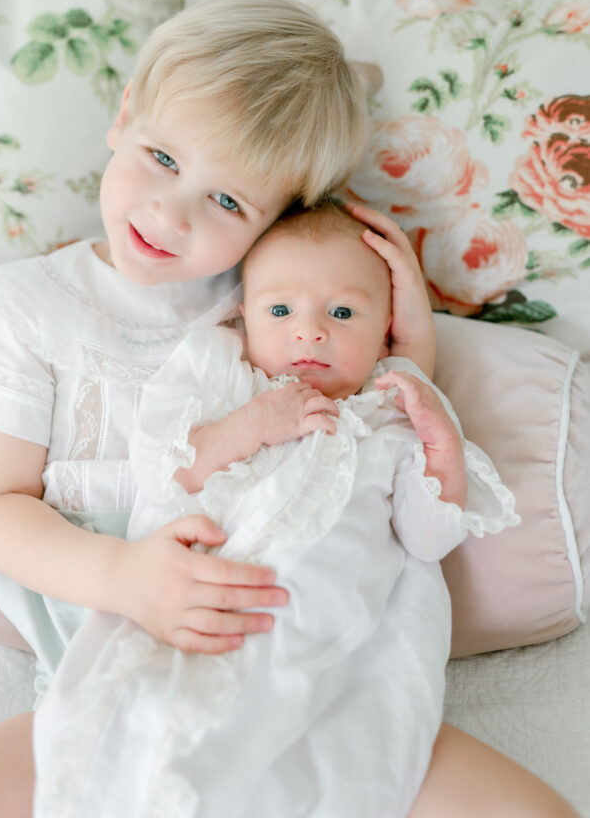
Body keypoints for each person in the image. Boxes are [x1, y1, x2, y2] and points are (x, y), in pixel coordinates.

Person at [0, 0, 579, 818]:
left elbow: (373, 425)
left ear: (279, 220)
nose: (171, 211)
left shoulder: (270, 307)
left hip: (319, 675)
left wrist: (406, 347)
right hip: (121, 675)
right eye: (161, 157)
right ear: (126, 114)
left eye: (228, 203)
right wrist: (125, 577)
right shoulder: (38, 310)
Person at [30, 200, 519, 818]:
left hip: (328, 638)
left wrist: (441, 443)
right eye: (280, 310)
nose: (309, 331)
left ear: (385, 330)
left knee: (317, 757)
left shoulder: (389, 415)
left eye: (342, 313)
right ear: (243, 317)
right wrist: (249, 427)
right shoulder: (222, 378)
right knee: (151, 731)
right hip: (205, 607)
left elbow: (427, 539)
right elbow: (166, 471)